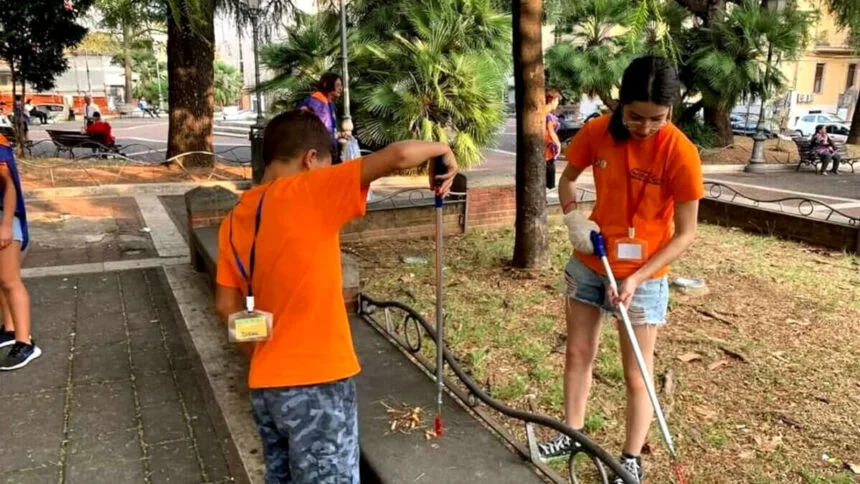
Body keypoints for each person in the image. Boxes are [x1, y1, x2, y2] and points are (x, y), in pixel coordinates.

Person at [214, 109, 457, 484]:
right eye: (329, 163)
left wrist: (267, 354)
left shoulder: (234, 219)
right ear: (311, 159)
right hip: (318, 385)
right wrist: (443, 149)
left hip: (267, 389)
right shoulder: (309, 190)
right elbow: (398, 155)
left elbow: (225, 307)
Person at [537, 56, 704, 484]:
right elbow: (567, 180)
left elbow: (686, 233)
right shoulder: (596, 132)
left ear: (671, 110)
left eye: (657, 118)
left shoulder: (681, 152)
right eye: (635, 116)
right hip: (590, 264)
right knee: (578, 354)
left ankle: (630, 458)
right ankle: (571, 433)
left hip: (643, 276)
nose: (644, 127)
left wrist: (637, 278)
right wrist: (574, 218)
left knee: (637, 372)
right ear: (620, 103)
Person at [0, 134, 39, 371]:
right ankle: (9, 329)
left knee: (9, 279)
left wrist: (5, 225)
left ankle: (25, 342)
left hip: (4, 217)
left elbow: (9, 187)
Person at [299, 73, 343, 161]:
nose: (341, 88)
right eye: (338, 85)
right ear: (327, 84)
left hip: (327, 149)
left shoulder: (329, 103)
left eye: (341, 85)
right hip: (319, 151)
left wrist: (338, 135)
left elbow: (329, 128)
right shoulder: (316, 101)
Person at [545, 88, 562, 189]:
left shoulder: (546, 114)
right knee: (549, 181)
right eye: (557, 100)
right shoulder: (548, 115)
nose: (558, 103)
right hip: (547, 151)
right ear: (551, 100)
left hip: (547, 149)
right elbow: (551, 132)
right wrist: (558, 145)